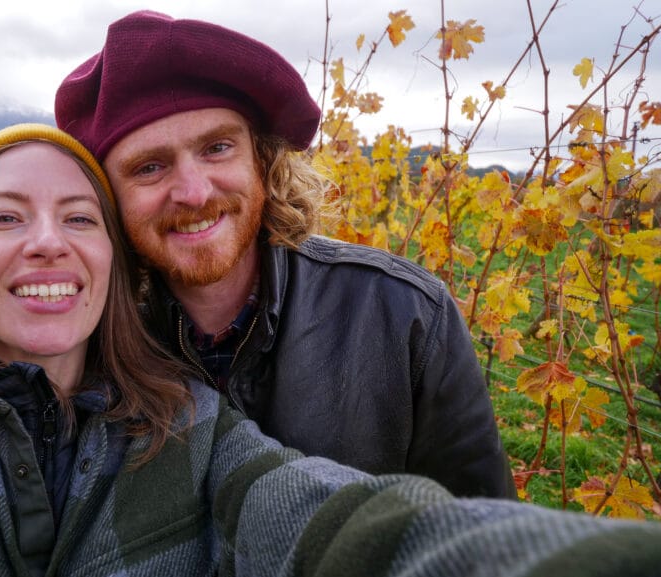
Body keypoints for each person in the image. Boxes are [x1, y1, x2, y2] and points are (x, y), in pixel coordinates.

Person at [0, 124, 661, 577]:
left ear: (111, 261)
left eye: (78, 217)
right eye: (4, 216)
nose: (47, 242)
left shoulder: (188, 428)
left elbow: (351, 526)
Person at [56, 10, 515, 499]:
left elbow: (484, 522)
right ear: (109, 200)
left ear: (262, 159)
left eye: (216, 148)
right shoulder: (87, 346)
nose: (193, 192)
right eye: (149, 167)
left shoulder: (405, 316)